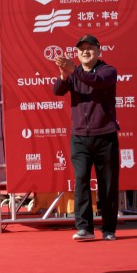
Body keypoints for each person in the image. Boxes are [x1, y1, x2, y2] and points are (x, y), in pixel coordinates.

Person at [53, 35, 120, 241]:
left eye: (90, 48)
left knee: (107, 184)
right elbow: (57, 91)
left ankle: (108, 228)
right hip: (80, 137)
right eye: (81, 49)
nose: (85, 52)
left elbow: (97, 82)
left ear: (99, 52)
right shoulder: (74, 74)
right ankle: (85, 228)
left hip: (105, 135)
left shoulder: (108, 71)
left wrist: (74, 70)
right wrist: (65, 75)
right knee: (81, 179)